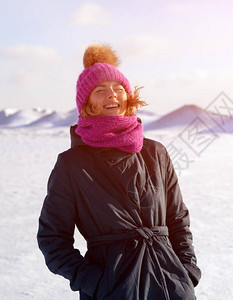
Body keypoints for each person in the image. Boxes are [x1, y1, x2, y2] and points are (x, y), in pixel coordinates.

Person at [37, 44, 201, 300]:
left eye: (118, 88)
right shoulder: (72, 164)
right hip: (114, 291)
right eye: (100, 90)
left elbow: (177, 219)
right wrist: (98, 283)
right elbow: (52, 239)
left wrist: (187, 272)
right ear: (87, 104)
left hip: (171, 286)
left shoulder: (155, 153)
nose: (112, 95)